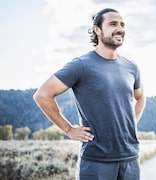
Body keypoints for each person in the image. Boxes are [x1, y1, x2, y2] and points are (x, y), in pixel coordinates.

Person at [33, 8, 146, 180]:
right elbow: (42, 95)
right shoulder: (81, 65)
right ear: (97, 30)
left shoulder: (132, 67)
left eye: (122, 24)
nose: (120, 28)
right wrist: (69, 129)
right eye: (113, 24)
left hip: (130, 157)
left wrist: (131, 123)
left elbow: (140, 97)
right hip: (96, 160)